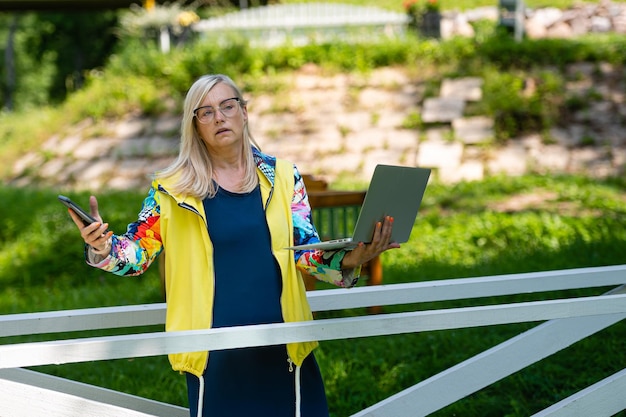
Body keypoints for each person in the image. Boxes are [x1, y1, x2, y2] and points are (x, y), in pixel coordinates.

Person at [69, 74, 399, 417]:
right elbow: (137, 255)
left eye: (228, 106)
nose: (219, 117)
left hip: (286, 348)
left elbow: (307, 254)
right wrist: (103, 249)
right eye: (206, 112)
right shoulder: (171, 189)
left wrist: (353, 258)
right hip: (213, 355)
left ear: (244, 112)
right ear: (195, 126)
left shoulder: (284, 176)